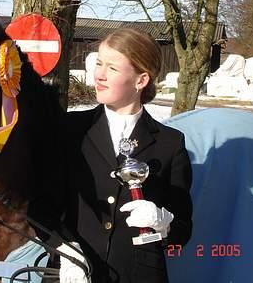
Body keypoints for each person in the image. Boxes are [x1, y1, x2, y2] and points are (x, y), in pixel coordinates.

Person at [58, 28, 193, 283]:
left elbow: (183, 231)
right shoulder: (69, 129)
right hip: (73, 274)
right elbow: (42, 205)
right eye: (98, 63)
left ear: (141, 80)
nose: (99, 75)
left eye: (112, 68)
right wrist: (65, 250)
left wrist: (163, 221)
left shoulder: (170, 143)